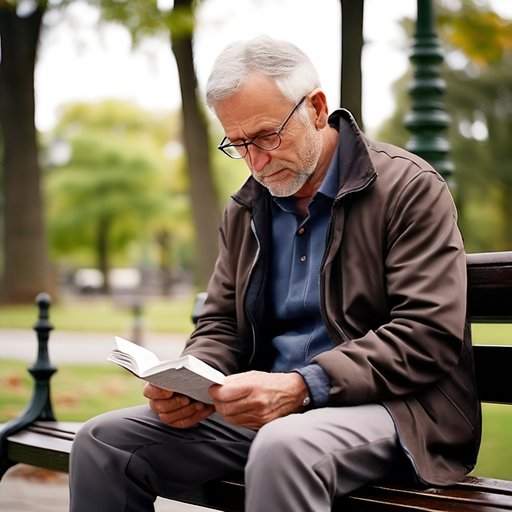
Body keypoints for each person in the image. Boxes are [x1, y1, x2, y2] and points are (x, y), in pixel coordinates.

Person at [69, 36, 481, 512]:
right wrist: (194, 381)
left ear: (317, 107)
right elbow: (220, 320)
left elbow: (426, 334)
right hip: (273, 412)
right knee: (103, 442)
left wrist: (303, 386)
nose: (256, 161)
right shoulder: (247, 208)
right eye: (238, 144)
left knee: (285, 447)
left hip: (400, 411)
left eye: (266, 136)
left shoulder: (409, 188)